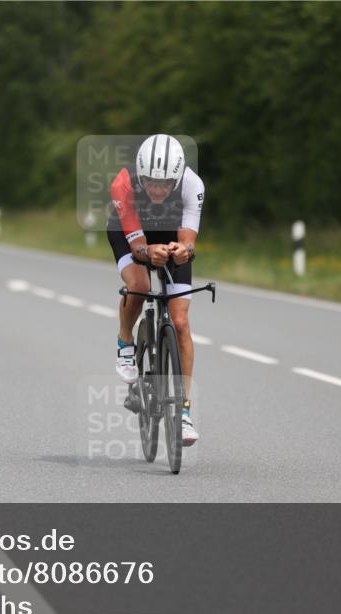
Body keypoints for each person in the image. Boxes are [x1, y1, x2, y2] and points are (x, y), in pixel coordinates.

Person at [108, 134, 204, 445]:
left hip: (170, 231)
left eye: (165, 184)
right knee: (139, 284)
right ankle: (126, 342)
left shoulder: (193, 185)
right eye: (150, 181)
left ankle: (184, 412)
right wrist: (149, 252)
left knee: (180, 323)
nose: (158, 189)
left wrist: (181, 251)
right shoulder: (123, 185)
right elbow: (137, 248)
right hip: (128, 233)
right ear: (139, 173)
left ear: (177, 178)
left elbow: (189, 241)